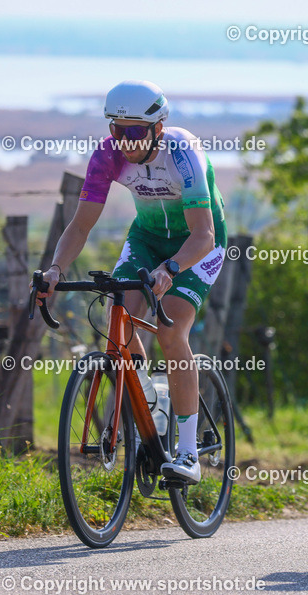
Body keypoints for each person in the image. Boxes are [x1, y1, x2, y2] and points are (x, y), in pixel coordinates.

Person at [37, 80, 227, 484]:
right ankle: (149, 404)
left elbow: (203, 235)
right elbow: (80, 224)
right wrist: (55, 269)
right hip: (146, 239)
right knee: (117, 315)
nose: (124, 140)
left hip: (198, 243)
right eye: (116, 129)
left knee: (170, 329)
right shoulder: (107, 157)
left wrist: (171, 269)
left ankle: (189, 454)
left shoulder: (183, 155)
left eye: (134, 130)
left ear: (158, 128)